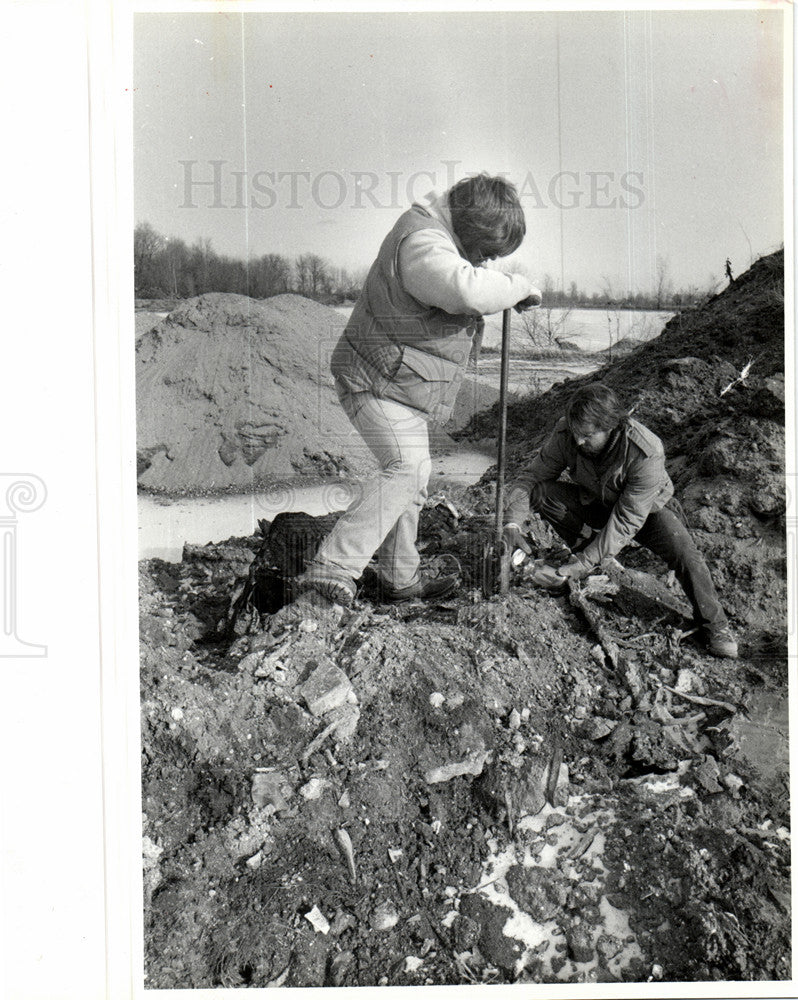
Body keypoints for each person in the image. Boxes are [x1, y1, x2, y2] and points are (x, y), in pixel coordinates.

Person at [298, 173, 542, 605]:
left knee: (414, 478)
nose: (486, 262)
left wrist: (502, 290)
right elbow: (463, 289)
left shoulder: (438, 237)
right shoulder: (423, 244)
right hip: (371, 380)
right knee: (407, 468)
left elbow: (466, 281)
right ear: (469, 227)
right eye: (486, 251)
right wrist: (516, 286)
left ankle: (399, 579)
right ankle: (332, 568)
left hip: (395, 385)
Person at [503, 383, 738, 658]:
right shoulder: (569, 432)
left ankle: (716, 625)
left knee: (685, 553)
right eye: (576, 433)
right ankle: (593, 560)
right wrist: (512, 524)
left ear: (611, 425)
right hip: (596, 500)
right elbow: (532, 478)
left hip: (646, 511)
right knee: (544, 493)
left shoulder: (645, 450)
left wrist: (575, 568)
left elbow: (626, 520)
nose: (578, 441)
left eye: (587, 436)